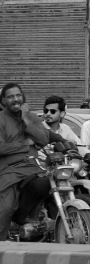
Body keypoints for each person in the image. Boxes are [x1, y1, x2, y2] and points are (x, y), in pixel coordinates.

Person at [0, 83, 50, 240]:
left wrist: (26, 119)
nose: (15, 99)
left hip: (33, 167)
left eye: (18, 95)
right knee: (6, 208)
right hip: (8, 170)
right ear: (3, 101)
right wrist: (26, 144)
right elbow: (1, 147)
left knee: (49, 185)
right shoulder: (1, 119)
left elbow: (43, 140)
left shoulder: (32, 117)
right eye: (10, 97)